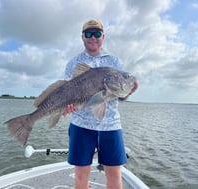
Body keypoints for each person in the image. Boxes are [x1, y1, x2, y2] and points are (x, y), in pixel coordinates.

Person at [63, 19, 137, 189]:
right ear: (82, 37)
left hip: (111, 125)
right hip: (81, 124)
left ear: (103, 36)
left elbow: (120, 96)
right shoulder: (73, 63)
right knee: (81, 175)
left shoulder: (115, 62)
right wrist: (68, 105)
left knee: (114, 174)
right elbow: (66, 91)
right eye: (88, 34)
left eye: (97, 34)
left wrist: (128, 92)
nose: (93, 38)